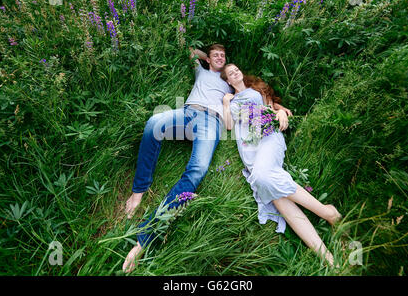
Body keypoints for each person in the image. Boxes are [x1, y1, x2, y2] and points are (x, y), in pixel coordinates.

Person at [122, 45, 293, 273]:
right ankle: (138, 191)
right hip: (187, 113)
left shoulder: (232, 86)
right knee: (153, 124)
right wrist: (208, 58)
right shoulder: (201, 71)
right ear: (209, 59)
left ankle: (145, 238)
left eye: (224, 55)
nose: (221, 58)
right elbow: (190, 51)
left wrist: (281, 110)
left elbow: (265, 101)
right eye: (216, 55)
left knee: (197, 170)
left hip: (212, 123)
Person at [221, 63, 342, 267]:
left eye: (236, 69)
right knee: (276, 197)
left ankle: (328, 212)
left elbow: (276, 109)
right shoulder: (230, 100)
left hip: (268, 136)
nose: (235, 72)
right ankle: (328, 258)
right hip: (250, 150)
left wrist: (282, 113)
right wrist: (225, 102)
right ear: (227, 81)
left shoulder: (256, 90)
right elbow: (229, 126)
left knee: (262, 177)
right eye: (230, 73)